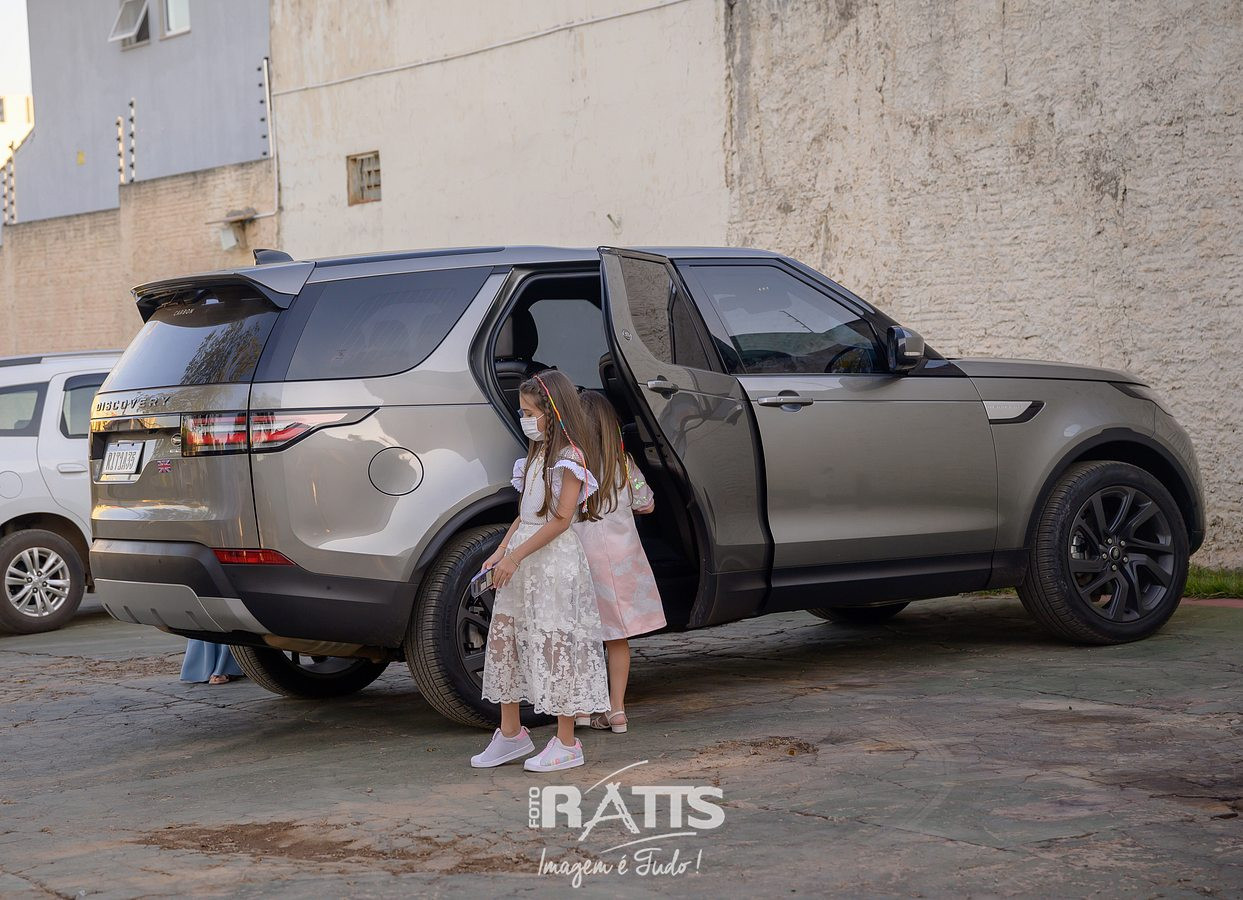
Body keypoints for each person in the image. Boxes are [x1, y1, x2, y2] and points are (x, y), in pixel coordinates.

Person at [472, 370, 611, 772]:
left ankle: (566, 742)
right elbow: (526, 513)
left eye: (531, 413)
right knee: (508, 638)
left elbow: (561, 519)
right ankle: (511, 733)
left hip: (552, 562)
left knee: (556, 642)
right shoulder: (534, 455)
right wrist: (502, 550)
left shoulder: (570, 460)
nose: (525, 419)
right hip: (523, 556)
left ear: (553, 412)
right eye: (523, 412)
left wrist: (516, 557)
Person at [572, 390, 665, 733]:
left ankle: (581, 710)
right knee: (617, 638)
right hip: (622, 560)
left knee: (583, 636)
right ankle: (617, 711)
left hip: (584, 558)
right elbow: (647, 503)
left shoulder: (573, 467)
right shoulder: (624, 464)